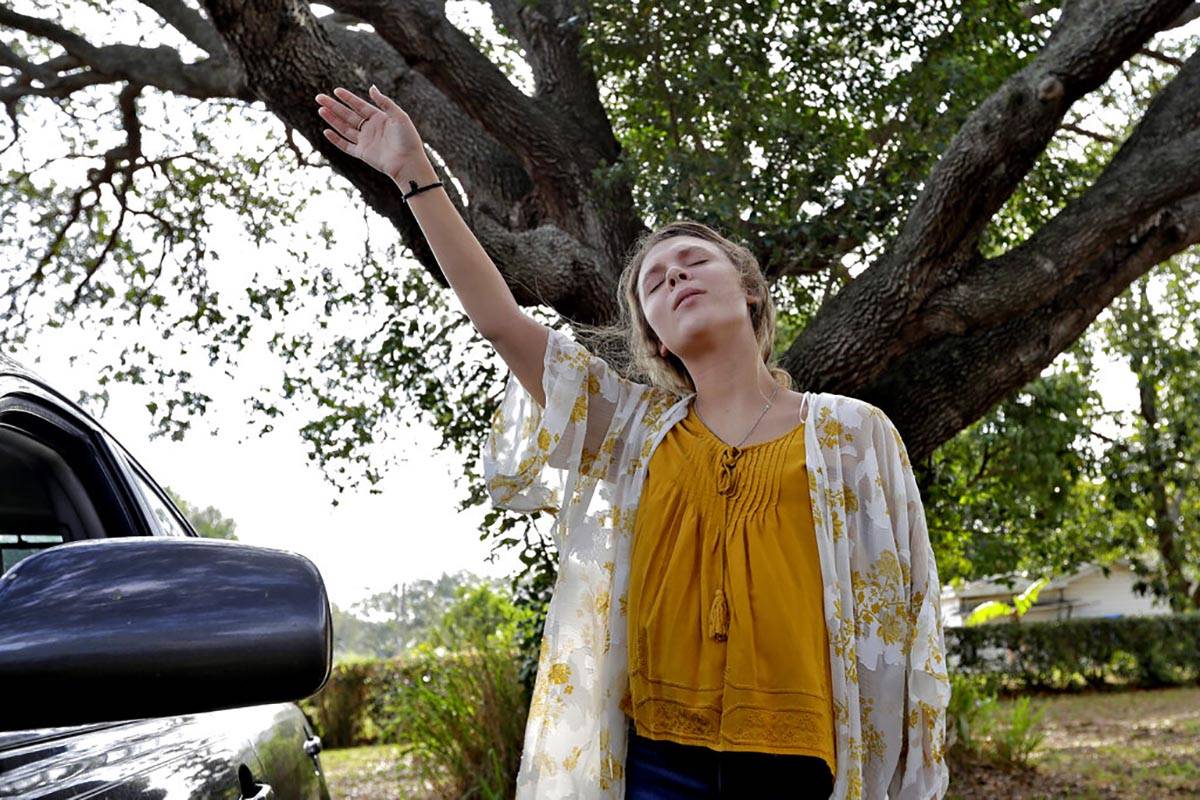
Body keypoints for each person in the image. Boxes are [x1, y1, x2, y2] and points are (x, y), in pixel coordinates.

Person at [315, 85, 950, 800]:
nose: (675, 273)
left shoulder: (852, 434)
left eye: (694, 262)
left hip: (803, 759)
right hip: (658, 762)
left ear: (748, 291)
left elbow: (906, 607)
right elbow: (500, 322)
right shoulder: (632, 432)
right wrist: (415, 177)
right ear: (652, 337)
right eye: (654, 280)